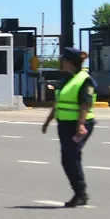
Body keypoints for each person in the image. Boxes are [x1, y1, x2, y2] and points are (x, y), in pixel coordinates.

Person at [42, 47, 97, 207]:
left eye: (63, 60)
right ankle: (79, 192)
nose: (61, 62)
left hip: (79, 125)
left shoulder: (85, 80)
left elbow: (86, 103)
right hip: (64, 124)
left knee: (72, 157)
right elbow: (58, 102)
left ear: (69, 62)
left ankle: (81, 193)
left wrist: (81, 124)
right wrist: (48, 121)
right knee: (67, 159)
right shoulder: (66, 79)